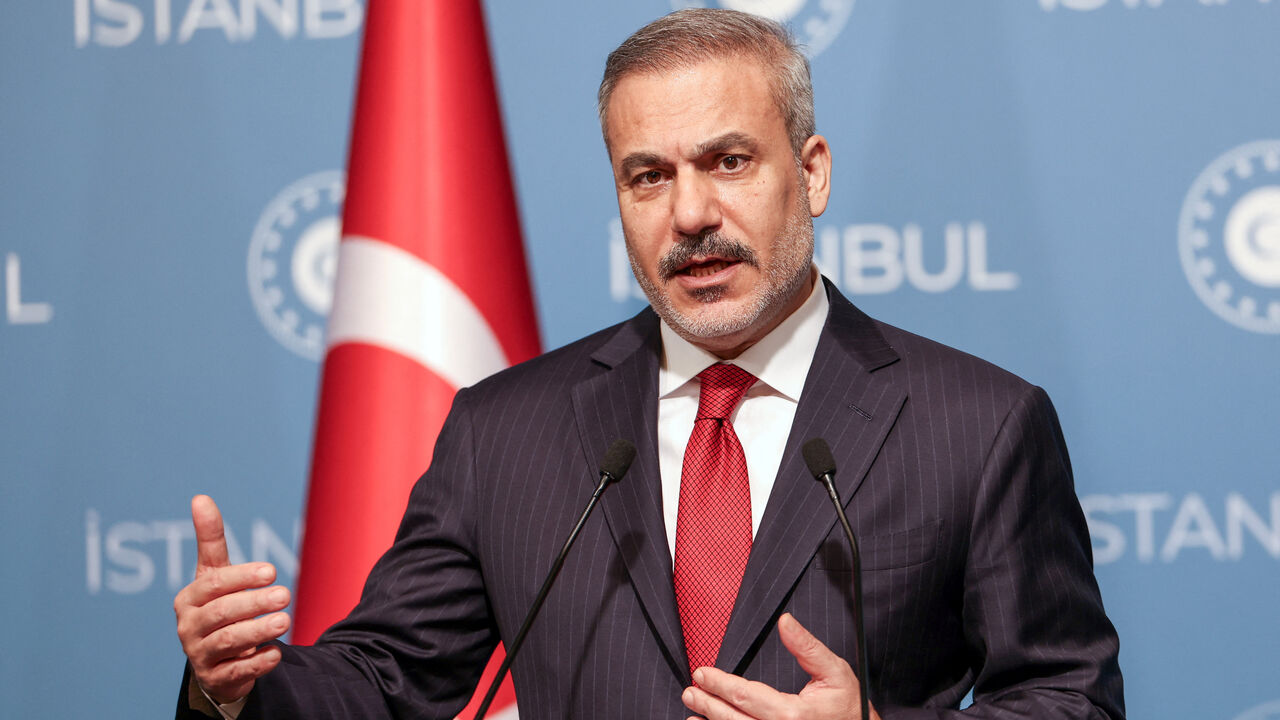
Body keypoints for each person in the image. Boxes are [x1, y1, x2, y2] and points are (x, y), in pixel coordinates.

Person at [174, 9, 1124, 720]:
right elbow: (385, 679)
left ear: (812, 173)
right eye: (649, 176)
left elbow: (1070, 699)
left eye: (729, 162)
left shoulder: (978, 425)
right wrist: (239, 687)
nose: (691, 215)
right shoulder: (505, 432)